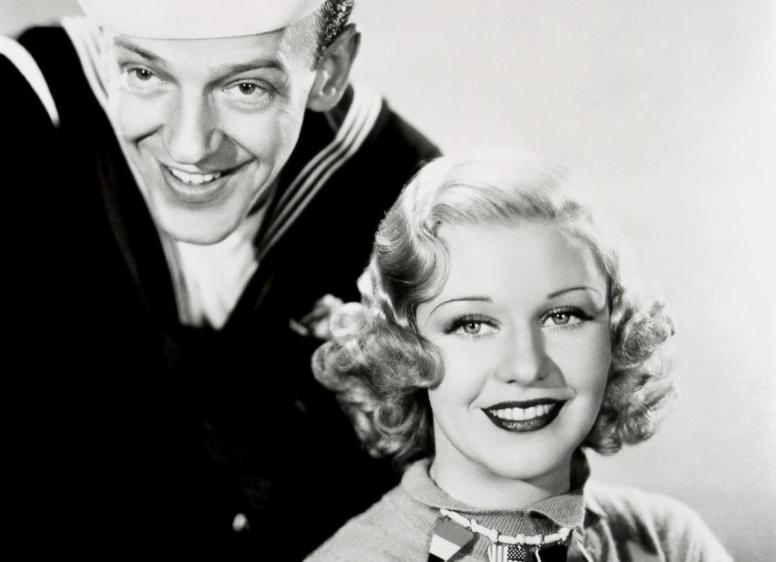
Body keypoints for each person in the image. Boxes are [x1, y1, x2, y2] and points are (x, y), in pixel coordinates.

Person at [1, 0, 438, 558]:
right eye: (144, 73)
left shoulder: (409, 213)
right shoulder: (34, 105)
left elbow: (485, 511)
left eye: (246, 87)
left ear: (327, 71)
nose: (189, 144)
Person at [307, 149, 732, 561]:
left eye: (563, 316)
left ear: (616, 332)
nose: (526, 367)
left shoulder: (668, 542)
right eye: (473, 324)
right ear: (403, 348)